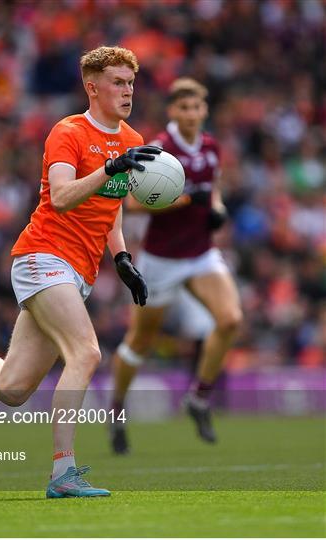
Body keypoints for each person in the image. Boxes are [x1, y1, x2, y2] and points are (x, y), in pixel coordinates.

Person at [0, 46, 161, 497]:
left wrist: (122, 259)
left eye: (131, 83)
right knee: (87, 353)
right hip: (42, 256)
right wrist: (107, 168)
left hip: (77, 272)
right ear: (91, 86)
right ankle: (63, 473)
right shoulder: (68, 132)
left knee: (12, 388)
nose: (127, 91)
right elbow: (60, 196)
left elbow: (111, 208)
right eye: (118, 82)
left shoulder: (131, 140)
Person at [110, 78, 243, 454]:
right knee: (140, 342)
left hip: (200, 254)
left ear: (204, 111)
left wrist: (216, 208)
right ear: (172, 111)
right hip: (161, 259)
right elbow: (133, 204)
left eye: (196, 107)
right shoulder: (157, 150)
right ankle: (116, 411)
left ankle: (199, 398)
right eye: (183, 107)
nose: (190, 114)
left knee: (230, 319)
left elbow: (212, 189)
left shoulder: (212, 146)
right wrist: (187, 200)